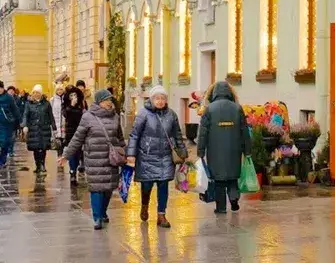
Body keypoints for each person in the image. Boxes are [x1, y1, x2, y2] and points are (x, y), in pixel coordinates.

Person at [59, 89, 123, 230]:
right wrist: (66, 155)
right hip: (93, 158)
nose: (109, 103)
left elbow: (120, 138)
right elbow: (77, 138)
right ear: (99, 101)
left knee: (108, 189)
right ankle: (97, 218)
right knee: (96, 188)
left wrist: (126, 155)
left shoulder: (115, 116)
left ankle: (103, 211)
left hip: (111, 159)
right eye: (107, 100)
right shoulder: (87, 117)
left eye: (110, 100)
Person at [127, 85, 186, 228]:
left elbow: (177, 134)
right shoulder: (143, 114)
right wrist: (131, 154)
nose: (160, 101)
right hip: (147, 155)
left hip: (165, 155)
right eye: (157, 98)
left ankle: (161, 215)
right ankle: (144, 205)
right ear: (152, 99)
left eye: (163, 98)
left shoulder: (171, 114)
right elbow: (135, 135)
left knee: (163, 185)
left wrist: (182, 151)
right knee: (147, 185)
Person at [197, 81, 251, 215]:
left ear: (214, 93)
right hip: (234, 150)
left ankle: (221, 208)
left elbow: (203, 133)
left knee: (219, 180)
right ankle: (233, 200)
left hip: (215, 151)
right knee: (233, 178)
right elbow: (244, 131)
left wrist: (200, 151)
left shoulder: (209, 109)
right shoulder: (237, 108)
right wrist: (247, 150)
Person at [22, 84, 56, 174]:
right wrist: (25, 125)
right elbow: (25, 115)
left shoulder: (46, 103)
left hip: (44, 128)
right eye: (34, 92)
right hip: (33, 129)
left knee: (43, 148)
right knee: (36, 148)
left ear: (41, 93)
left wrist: (54, 128)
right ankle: (37, 165)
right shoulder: (28, 104)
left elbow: (51, 116)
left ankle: (43, 165)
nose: (36, 94)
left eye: (38, 92)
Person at [0, 81, 21, 168]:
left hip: (6, 123)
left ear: (3, 88)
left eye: (1, 88)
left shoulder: (9, 98)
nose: (0, 90)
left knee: (5, 142)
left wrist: (20, 120)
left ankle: (2, 161)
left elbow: (14, 109)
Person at [62, 86, 86, 186]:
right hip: (70, 133)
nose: (73, 97)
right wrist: (72, 106)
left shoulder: (82, 104)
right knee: (72, 153)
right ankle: (72, 173)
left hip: (81, 131)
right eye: (71, 95)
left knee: (79, 153)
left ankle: (76, 168)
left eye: (75, 95)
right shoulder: (66, 105)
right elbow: (66, 114)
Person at [52, 83, 65, 163]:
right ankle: (59, 156)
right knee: (58, 142)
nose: (59, 91)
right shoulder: (52, 100)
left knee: (63, 141)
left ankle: (62, 156)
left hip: (64, 124)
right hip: (56, 124)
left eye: (61, 89)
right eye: (58, 90)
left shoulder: (66, 99)